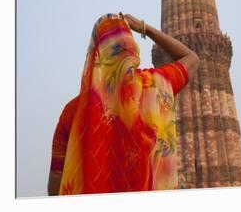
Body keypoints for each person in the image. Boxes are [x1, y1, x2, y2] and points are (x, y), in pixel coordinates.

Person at [47, 12, 200, 196]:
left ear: (96, 52)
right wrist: (146, 28)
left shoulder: (73, 111)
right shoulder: (151, 86)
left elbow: (56, 183)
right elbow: (192, 58)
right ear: (130, 47)